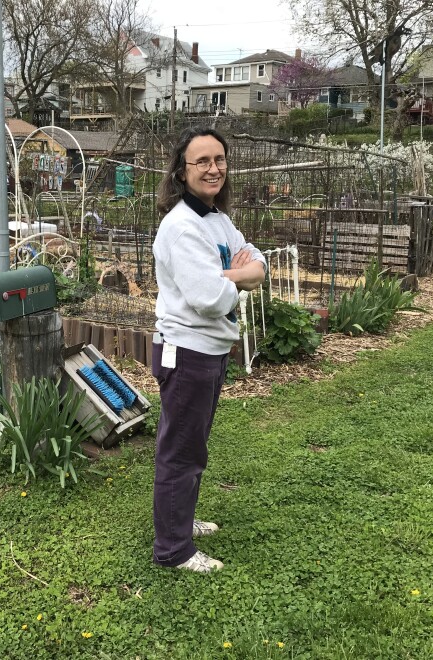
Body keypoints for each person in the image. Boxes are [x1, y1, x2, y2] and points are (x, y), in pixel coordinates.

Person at [151, 127, 267, 573]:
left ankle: (180, 520)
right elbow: (209, 298)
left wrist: (241, 271)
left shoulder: (215, 219)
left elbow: (257, 258)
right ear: (182, 171)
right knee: (180, 451)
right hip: (187, 351)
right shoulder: (181, 227)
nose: (213, 168)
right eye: (202, 161)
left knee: (191, 446)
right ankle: (173, 550)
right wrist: (240, 277)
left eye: (219, 159)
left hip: (209, 349)